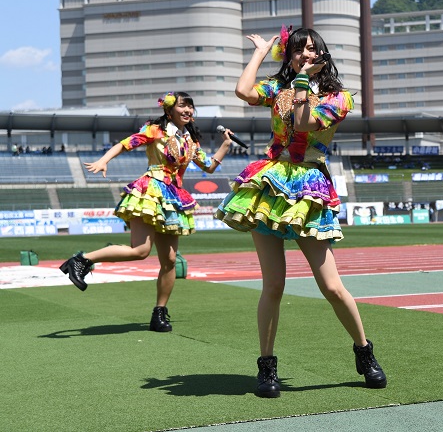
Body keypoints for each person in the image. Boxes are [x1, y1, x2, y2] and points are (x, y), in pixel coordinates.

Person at [215, 27, 386, 398]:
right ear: (288, 55)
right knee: (273, 285)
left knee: (331, 286)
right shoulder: (278, 88)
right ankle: (266, 366)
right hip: (270, 183)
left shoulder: (339, 97)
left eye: (310, 49)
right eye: (296, 50)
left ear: (321, 54)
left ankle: (364, 351)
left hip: (309, 184)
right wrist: (262, 51)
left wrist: (305, 81)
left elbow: (306, 122)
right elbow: (243, 91)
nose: (304, 54)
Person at [60, 92, 233, 332]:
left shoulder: (190, 141)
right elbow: (126, 143)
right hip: (150, 190)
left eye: (191, 107)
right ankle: (81, 260)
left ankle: (159, 312)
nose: (188, 110)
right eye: (183, 106)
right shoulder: (155, 130)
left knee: (170, 260)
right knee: (140, 251)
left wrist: (225, 145)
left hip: (174, 197)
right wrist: (104, 160)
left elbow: (210, 166)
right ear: (169, 110)